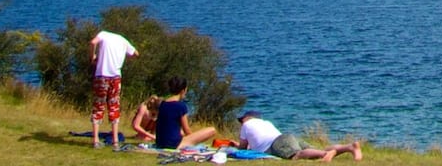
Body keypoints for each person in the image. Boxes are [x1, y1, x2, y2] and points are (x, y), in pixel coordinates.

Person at [235, 110, 363, 161]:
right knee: (314, 150)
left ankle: (325, 155)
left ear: (248, 117)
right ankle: (350, 147)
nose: (241, 122)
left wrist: (235, 146)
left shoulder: (246, 125)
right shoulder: (266, 123)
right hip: (286, 138)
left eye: (242, 119)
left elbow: (242, 149)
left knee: (296, 155)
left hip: (277, 143)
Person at [91, 29, 139, 148]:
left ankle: (96, 140)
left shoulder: (103, 35)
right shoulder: (123, 40)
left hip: (101, 76)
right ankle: (115, 140)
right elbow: (136, 53)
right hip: (116, 77)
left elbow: (92, 43)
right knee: (114, 106)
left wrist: (92, 57)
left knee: (98, 106)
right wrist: (123, 58)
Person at [154, 77, 219, 150]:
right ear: (183, 90)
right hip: (173, 144)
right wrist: (194, 139)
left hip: (160, 142)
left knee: (180, 132)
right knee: (212, 130)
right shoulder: (180, 106)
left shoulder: (163, 104)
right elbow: (187, 130)